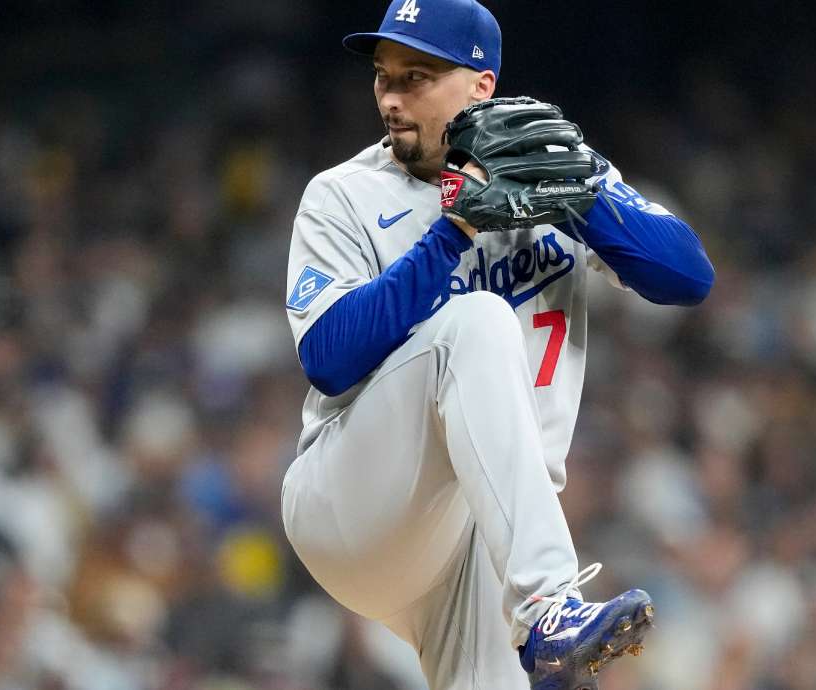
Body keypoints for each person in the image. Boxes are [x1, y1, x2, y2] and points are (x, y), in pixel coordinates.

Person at [280, 0, 715, 687]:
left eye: (416, 77)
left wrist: (579, 195)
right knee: (478, 321)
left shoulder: (553, 167)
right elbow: (329, 359)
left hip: (481, 539)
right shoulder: (344, 194)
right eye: (383, 76)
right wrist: (452, 231)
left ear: (481, 85)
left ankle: (544, 617)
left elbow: (688, 277)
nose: (391, 97)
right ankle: (549, 607)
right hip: (357, 505)